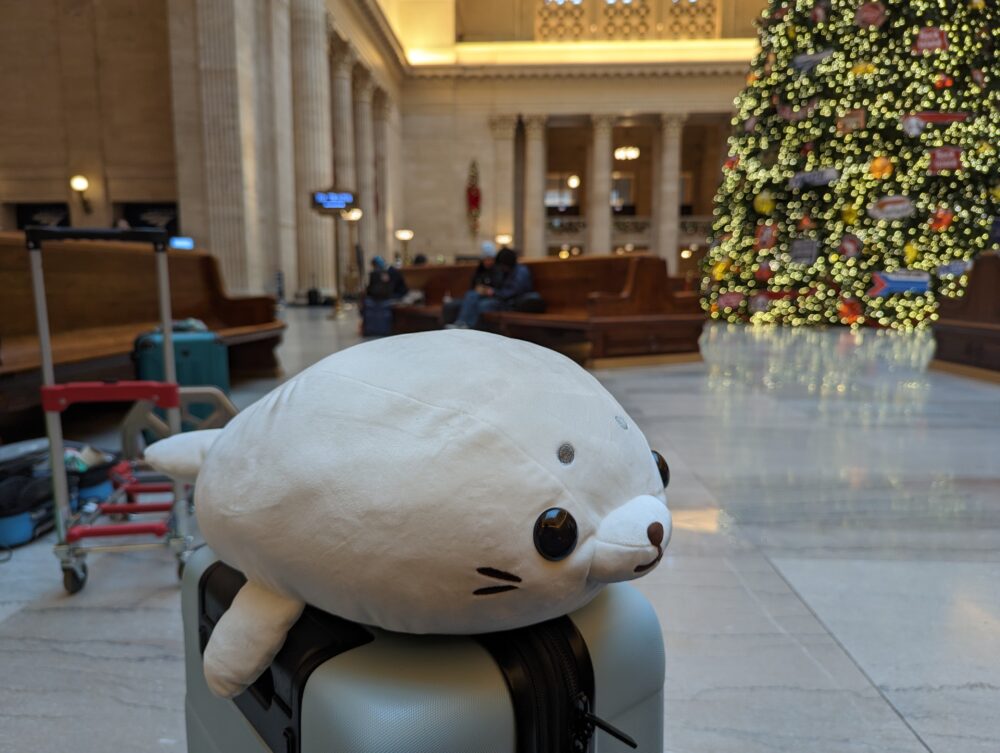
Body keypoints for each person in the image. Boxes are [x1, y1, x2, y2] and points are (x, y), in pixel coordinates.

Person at [447, 248, 532, 330]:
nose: (501, 268)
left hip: (512, 303)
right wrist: (488, 290)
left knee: (483, 305)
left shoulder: (520, 272)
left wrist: (493, 292)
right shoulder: (507, 271)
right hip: (502, 298)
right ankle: (462, 323)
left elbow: (513, 292)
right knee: (471, 295)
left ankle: (469, 327)